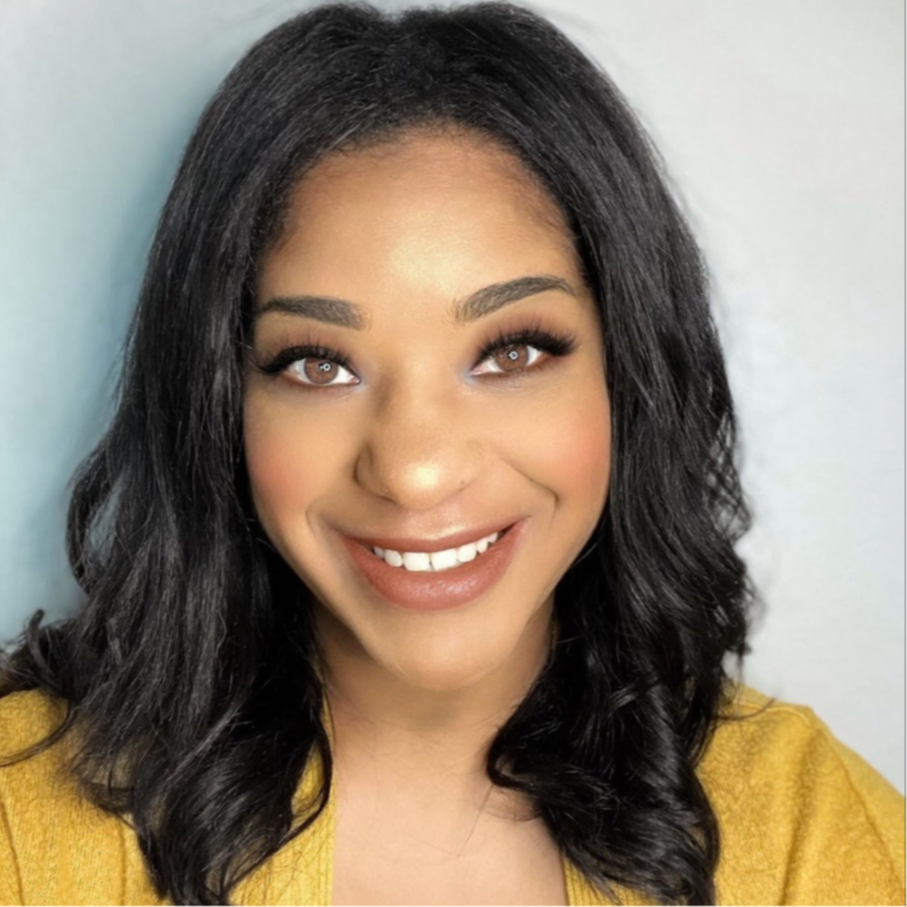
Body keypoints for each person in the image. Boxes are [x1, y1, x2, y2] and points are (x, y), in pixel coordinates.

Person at [0, 3, 902, 906]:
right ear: (218, 403)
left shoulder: (808, 833)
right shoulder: (22, 820)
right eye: (317, 363)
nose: (414, 470)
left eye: (511, 351)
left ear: (629, 371)